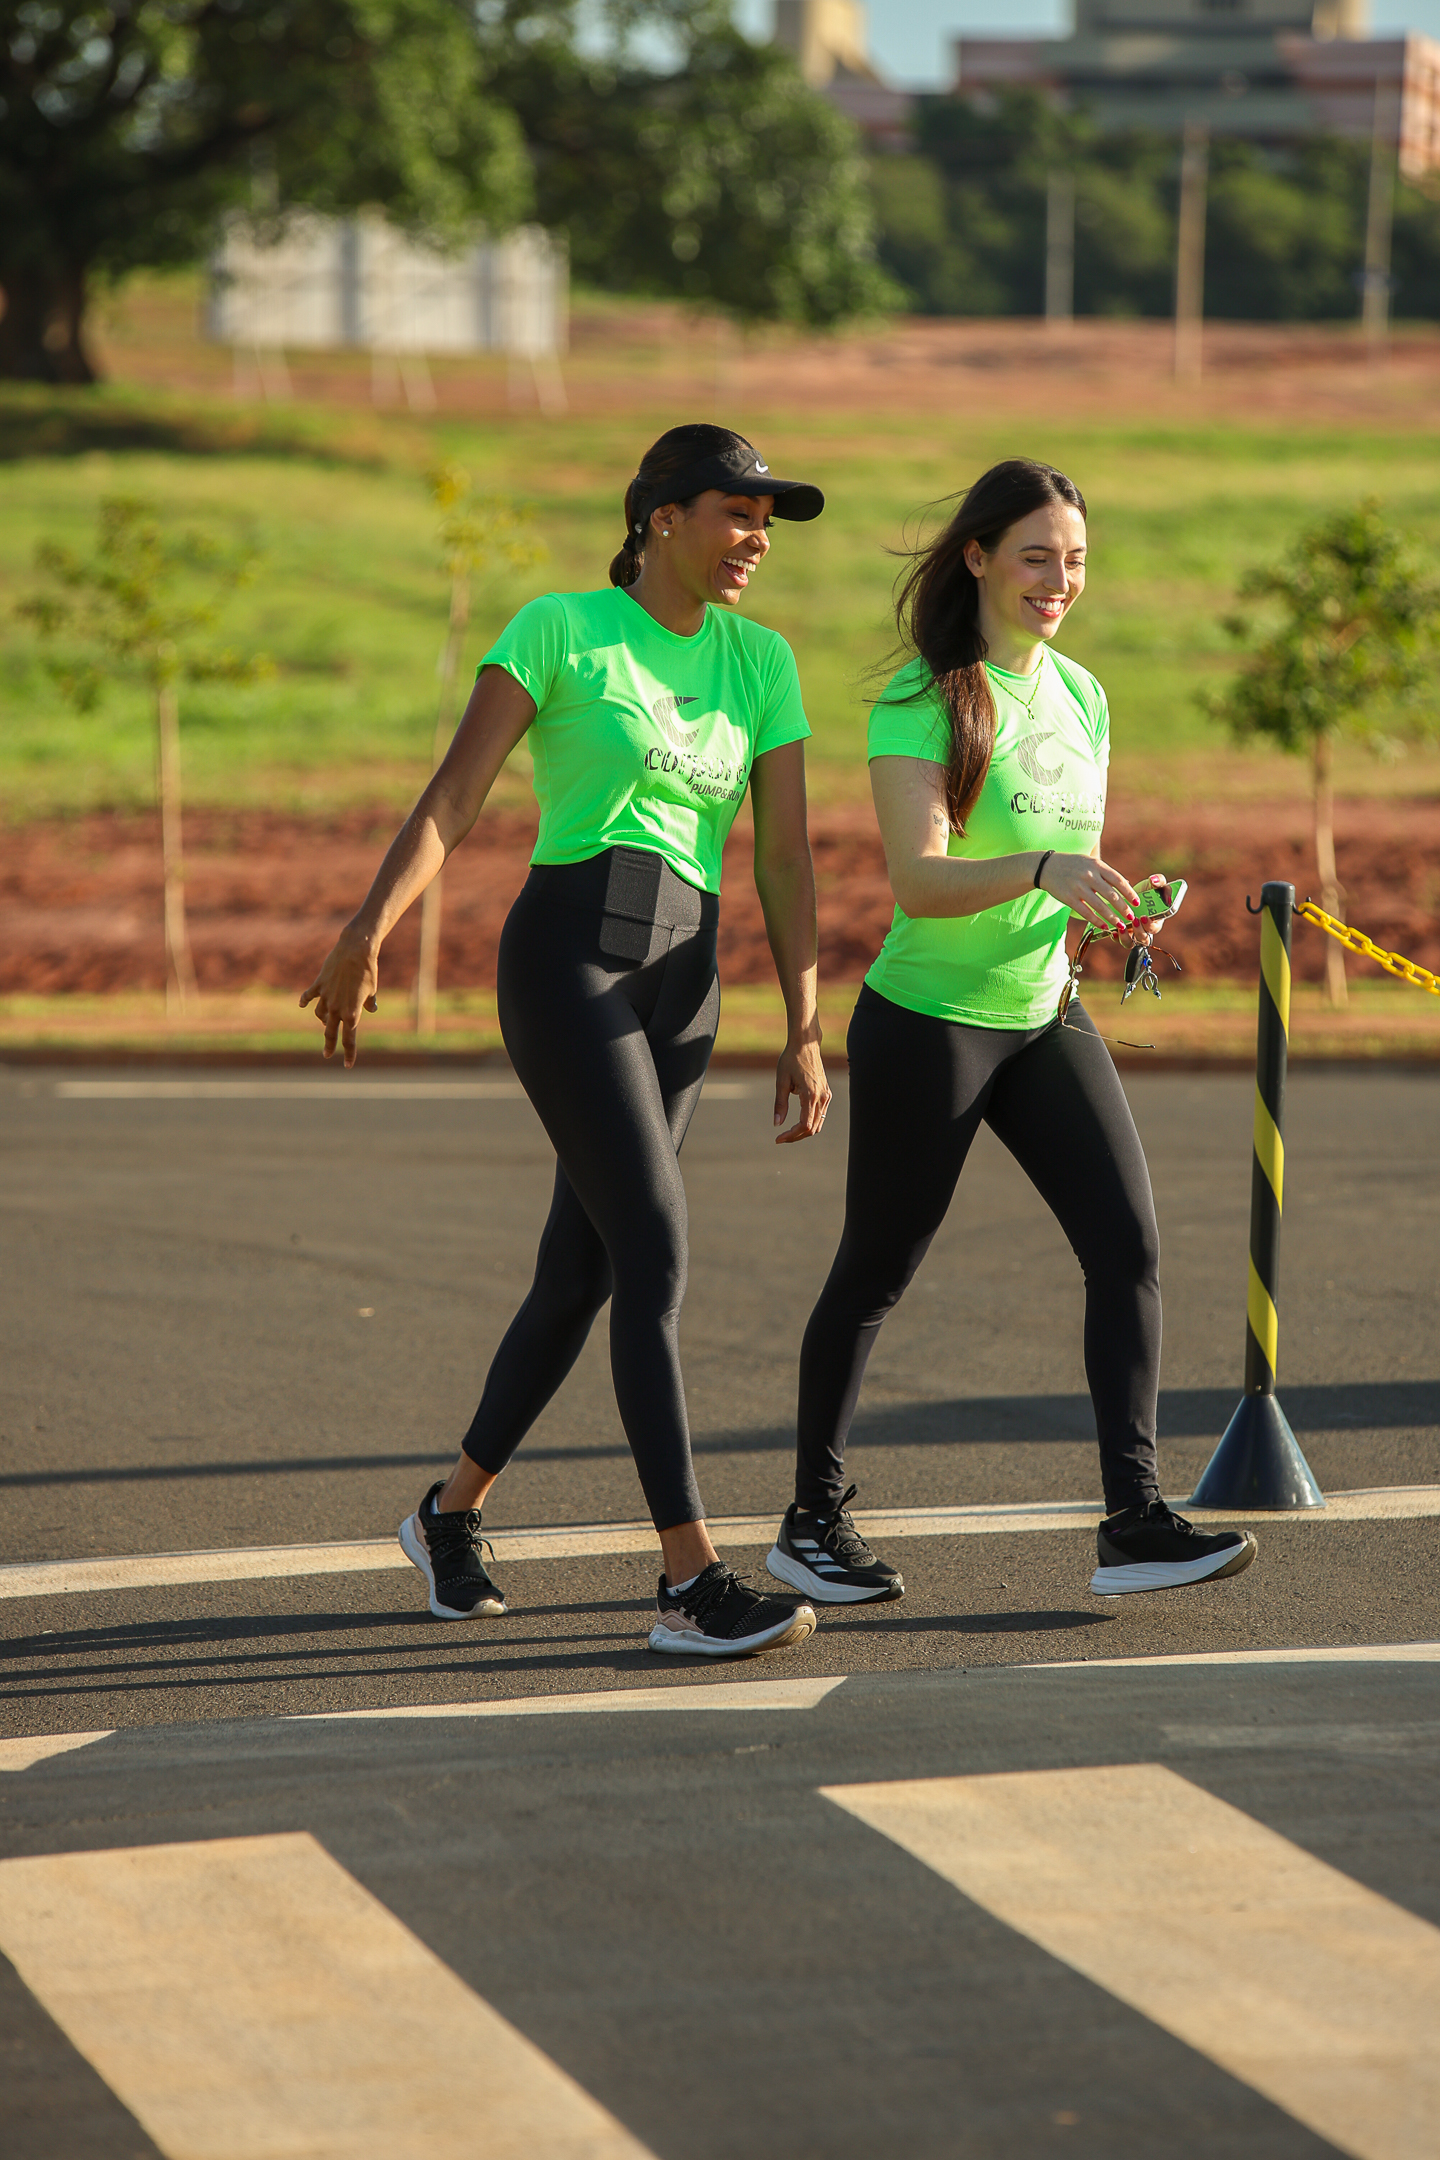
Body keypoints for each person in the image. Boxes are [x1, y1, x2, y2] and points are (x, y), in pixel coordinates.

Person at [302, 424, 832, 1658]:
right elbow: (455, 796)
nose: (756, 541)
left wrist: (808, 1024)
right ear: (661, 518)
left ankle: (448, 1515)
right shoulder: (560, 629)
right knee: (652, 1249)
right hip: (569, 963)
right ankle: (689, 1582)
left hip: (686, 987)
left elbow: (786, 859)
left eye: (766, 524)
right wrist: (369, 928)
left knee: (580, 1273)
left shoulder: (762, 661)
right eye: (737, 515)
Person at [765, 458, 1259, 1606]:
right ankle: (809, 1523)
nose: (1059, 579)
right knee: (875, 1272)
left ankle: (1133, 1522)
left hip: (1044, 1012)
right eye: (1037, 556)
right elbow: (921, 880)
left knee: (1127, 1249)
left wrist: (1113, 906)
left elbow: (1062, 867)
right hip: (930, 1022)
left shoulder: (1083, 695)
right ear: (979, 557)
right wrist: (1042, 867)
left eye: (1076, 560)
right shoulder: (924, 700)